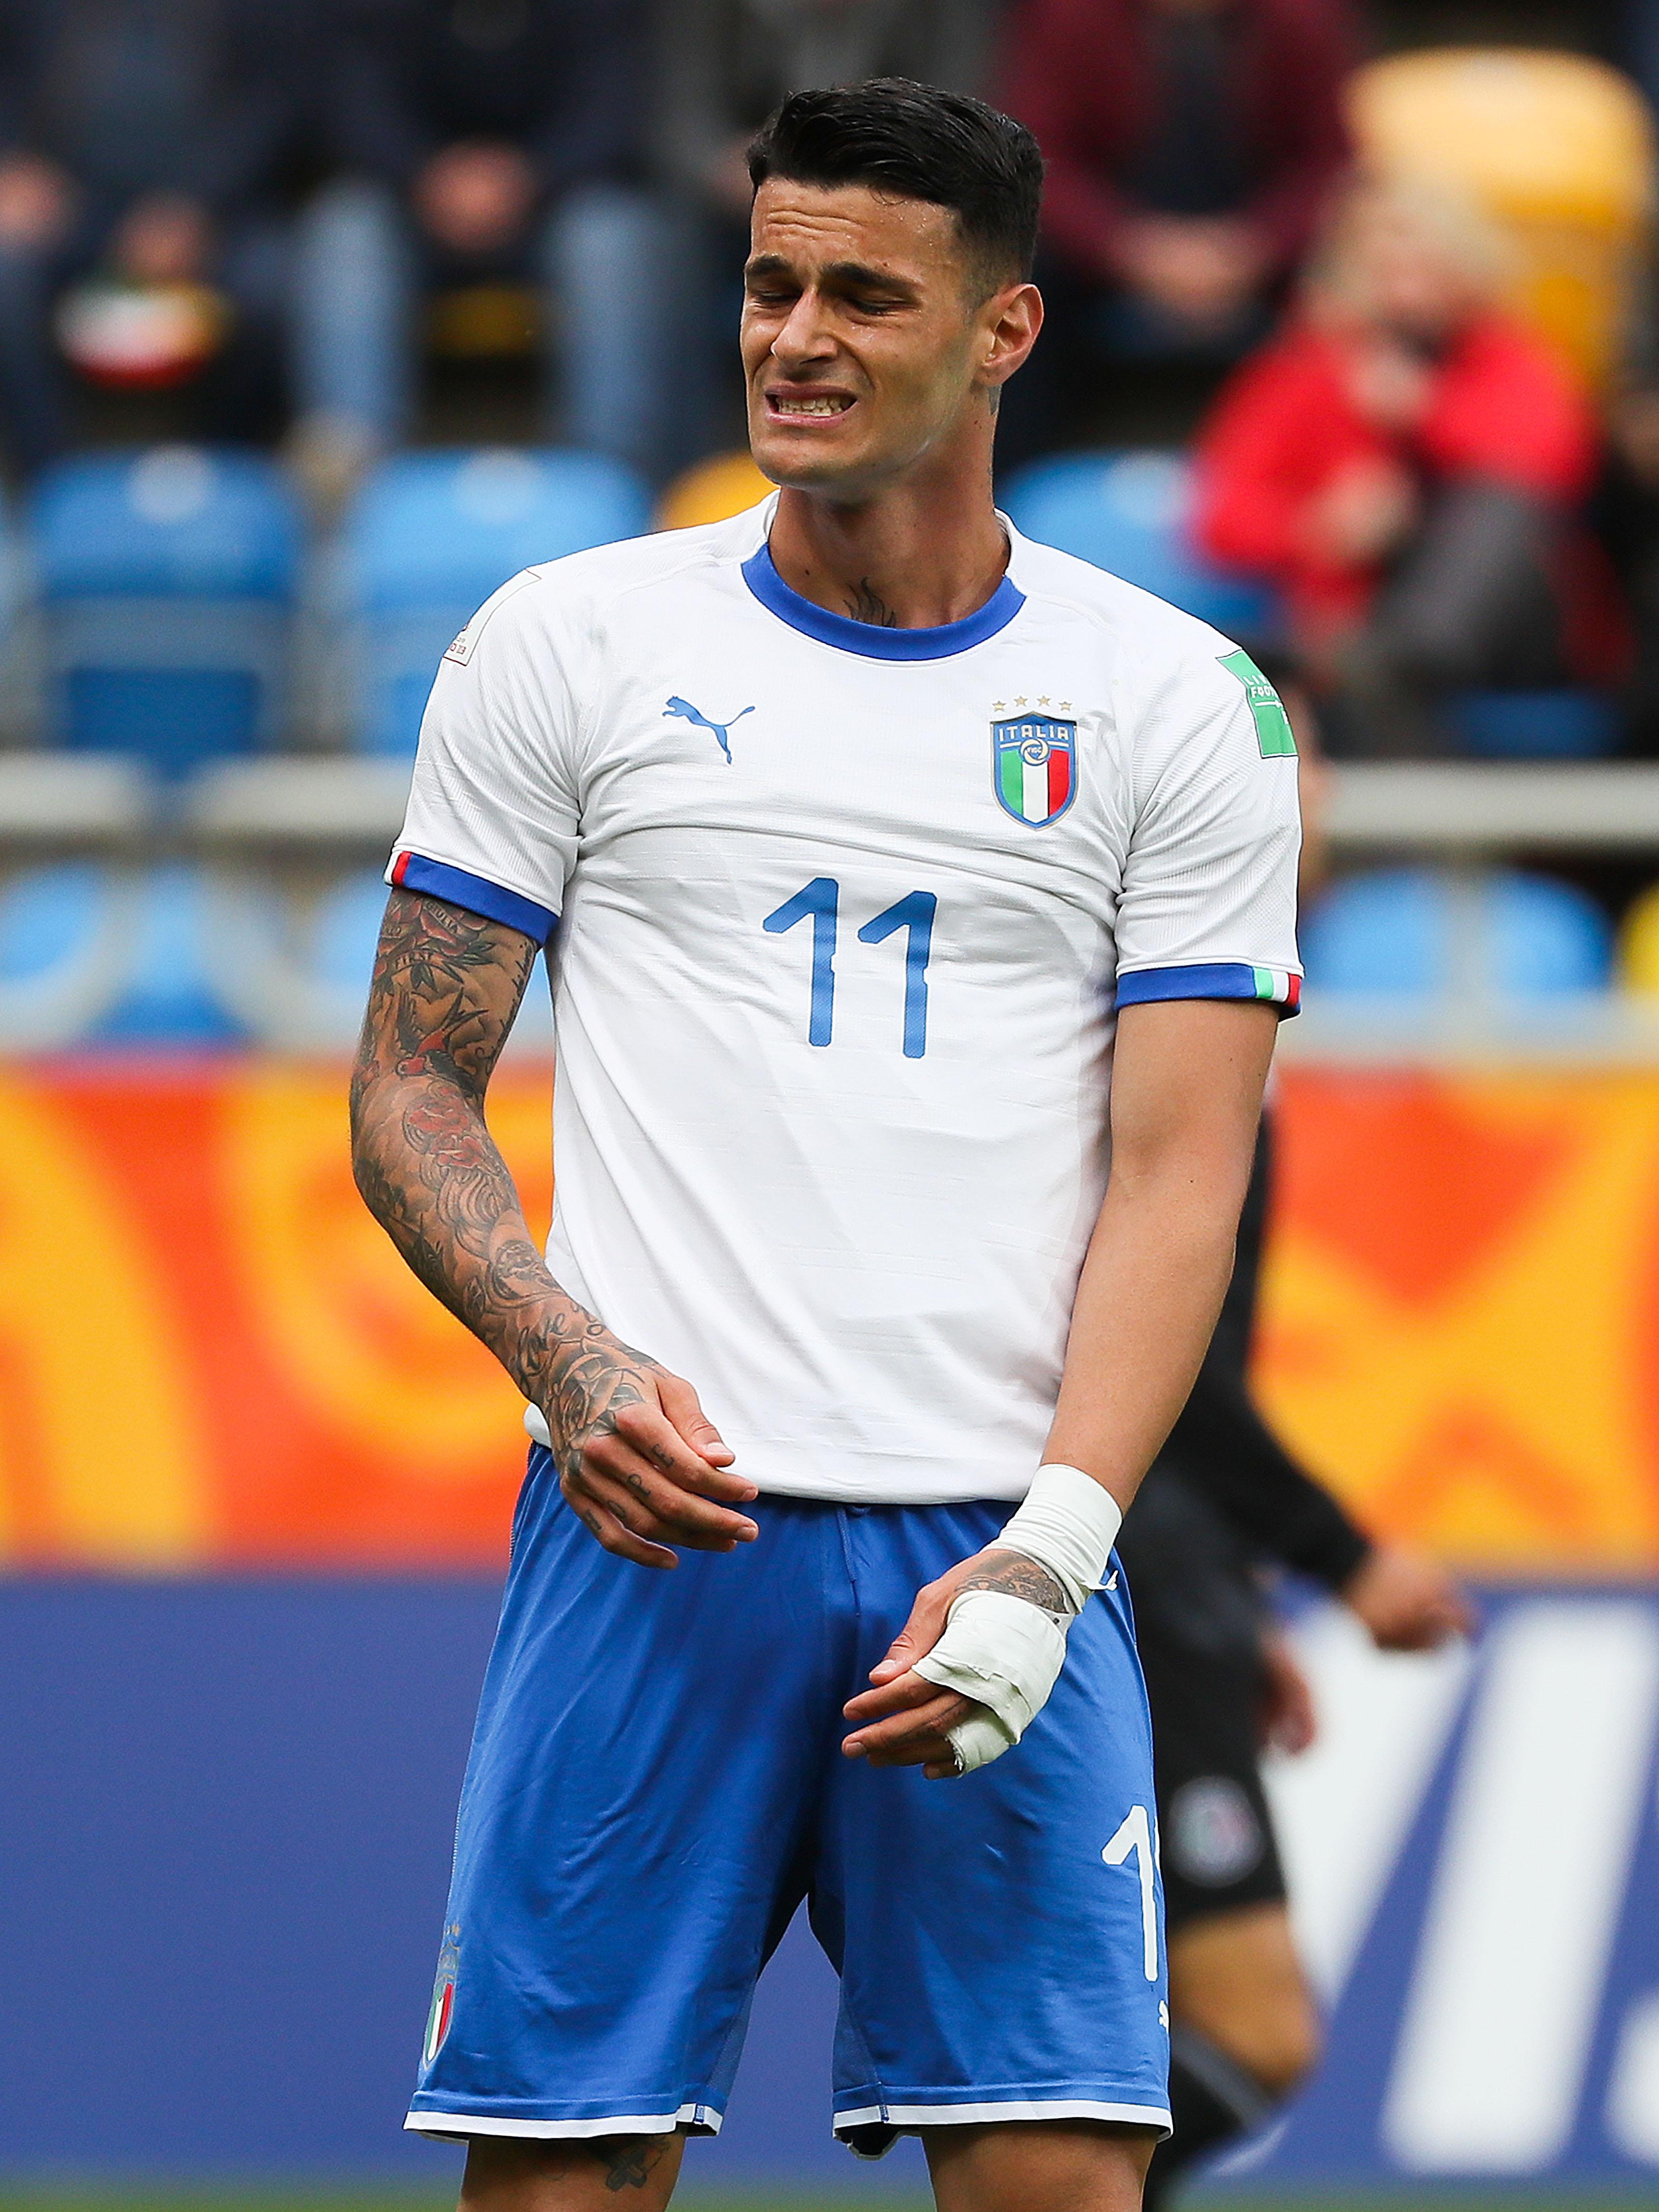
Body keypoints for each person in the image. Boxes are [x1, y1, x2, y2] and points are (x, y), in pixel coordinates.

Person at [351, 76, 1302, 2212]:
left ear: (1004, 330)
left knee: (1060, 2181)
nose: (793, 338)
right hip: (649, 1541)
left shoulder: (1177, 703)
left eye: (863, 298)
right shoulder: (565, 642)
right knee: (558, 2179)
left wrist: (1054, 1553)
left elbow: (1179, 1181)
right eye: (769, 285)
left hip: (996, 1550)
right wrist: (566, 1364)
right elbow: (409, 1082)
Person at [1193, 174, 1621, 757]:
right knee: (1374, 671)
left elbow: (1549, 468)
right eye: (1385, 270)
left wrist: (1426, 415)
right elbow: (1219, 513)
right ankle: (1385, 668)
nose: (1405, 292)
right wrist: (1320, 528)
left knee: (1497, 512)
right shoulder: (1306, 370)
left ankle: (1390, 653)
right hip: (1359, 616)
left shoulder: (1506, 356)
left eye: (1425, 268)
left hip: (1516, 625)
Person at [293, 0, 668, 492]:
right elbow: (352, 103)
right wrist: (427, 177)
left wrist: (527, 179)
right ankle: (350, 480)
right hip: (411, 200)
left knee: (612, 235)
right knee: (346, 225)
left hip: (555, 199)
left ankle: (611, 482)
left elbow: (614, 109)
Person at [997, 0, 1357, 460]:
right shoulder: (1071, 17)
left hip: (1268, 267)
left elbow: (1330, 165)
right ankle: (1015, 481)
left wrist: (1256, 248)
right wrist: (1130, 248)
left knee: (1350, 297)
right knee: (1012, 300)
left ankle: (1314, 476)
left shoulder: (1302, 19)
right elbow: (1038, 160)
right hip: (1097, 266)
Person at [653, 0, 996, 460]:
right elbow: (678, 126)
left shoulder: (946, 12)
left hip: (902, 202)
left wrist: (871, 185)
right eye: (775, 298)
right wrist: (745, 173)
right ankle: (675, 468)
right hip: (729, 209)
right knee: (642, 248)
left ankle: (958, 460)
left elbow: (968, 130)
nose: (795, 342)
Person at [0, 0, 314, 474]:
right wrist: (13, 164)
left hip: (216, 212)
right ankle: (51, 483)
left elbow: (277, 99)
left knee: (274, 282)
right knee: (6, 271)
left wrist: (195, 204)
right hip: (70, 207)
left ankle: (221, 474)